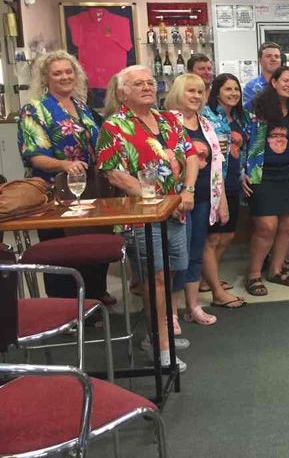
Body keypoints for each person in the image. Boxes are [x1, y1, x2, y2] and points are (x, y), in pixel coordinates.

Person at [96, 65, 198, 372]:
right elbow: (113, 172)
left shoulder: (169, 120)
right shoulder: (114, 126)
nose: (147, 87)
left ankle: (156, 333)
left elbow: (190, 154)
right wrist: (147, 194)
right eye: (138, 83)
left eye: (150, 82)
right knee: (154, 279)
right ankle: (161, 346)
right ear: (122, 92)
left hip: (175, 211)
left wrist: (188, 190)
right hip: (141, 215)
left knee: (168, 274)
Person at [17, 50, 108, 302]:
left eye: (69, 72)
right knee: (61, 250)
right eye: (57, 73)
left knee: (91, 244)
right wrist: (64, 164)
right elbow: (34, 155)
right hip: (54, 193)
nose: (65, 77)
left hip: (90, 188)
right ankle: (64, 305)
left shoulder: (82, 107)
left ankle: (93, 297)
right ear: (46, 78)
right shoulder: (35, 109)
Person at [165, 74, 229, 326]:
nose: (196, 96)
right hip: (178, 200)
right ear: (178, 93)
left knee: (195, 254)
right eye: (190, 91)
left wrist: (221, 200)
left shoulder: (205, 123)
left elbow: (217, 164)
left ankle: (193, 306)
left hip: (204, 198)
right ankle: (171, 311)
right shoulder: (167, 123)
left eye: (200, 91)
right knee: (176, 258)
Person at [243, 65, 289, 295]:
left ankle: (275, 270)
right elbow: (244, 141)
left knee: (288, 225)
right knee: (266, 227)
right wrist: (242, 172)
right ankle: (254, 274)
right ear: (274, 82)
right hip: (262, 175)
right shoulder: (256, 108)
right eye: (285, 80)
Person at [201, 74, 250, 309]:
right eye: (227, 89)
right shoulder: (207, 117)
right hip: (214, 185)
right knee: (212, 237)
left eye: (236, 89)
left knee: (228, 235)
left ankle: (208, 277)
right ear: (216, 92)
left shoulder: (240, 117)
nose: (233, 93)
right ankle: (215, 289)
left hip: (234, 182)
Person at [243, 42, 283, 111]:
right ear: (260, 60)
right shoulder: (251, 87)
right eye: (268, 56)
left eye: (277, 56)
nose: (273, 59)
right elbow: (249, 113)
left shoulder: (287, 84)